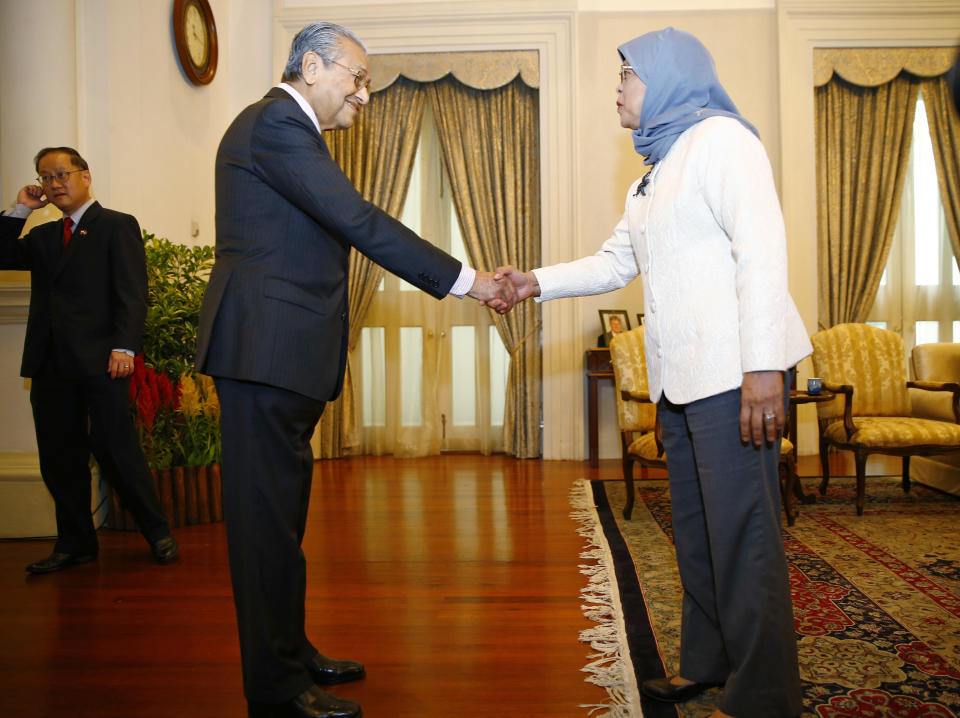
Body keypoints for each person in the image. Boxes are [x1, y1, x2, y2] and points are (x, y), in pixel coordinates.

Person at [195, 22, 516, 718]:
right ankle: (275, 689)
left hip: (280, 355)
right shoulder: (277, 123)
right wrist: (470, 281)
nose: (364, 96)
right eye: (358, 78)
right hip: (263, 352)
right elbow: (358, 219)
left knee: (281, 521)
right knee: (262, 530)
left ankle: (291, 651)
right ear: (312, 65)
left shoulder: (286, 130)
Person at [496, 28, 811, 718]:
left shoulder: (724, 140)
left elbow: (764, 252)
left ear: (667, 79)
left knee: (744, 535)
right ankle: (706, 664)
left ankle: (764, 697)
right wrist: (531, 283)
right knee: (697, 531)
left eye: (627, 75)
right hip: (684, 382)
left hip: (736, 375)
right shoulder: (657, 170)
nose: (618, 87)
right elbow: (614, 263)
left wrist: (763, 369)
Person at [0, 147, 179, 574]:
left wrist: (124, 348)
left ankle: (157, 532)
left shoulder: (116, 225)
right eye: (45, 177)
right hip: (50, 364)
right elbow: (3, 256)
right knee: (59, 457)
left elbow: (133, 293)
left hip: (103, 361)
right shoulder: (42, 236)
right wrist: (20, 208)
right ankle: (76, 543)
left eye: (62, 173)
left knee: (116, 449)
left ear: (86, 176)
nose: (54, 183)